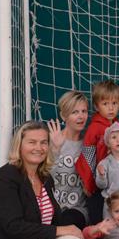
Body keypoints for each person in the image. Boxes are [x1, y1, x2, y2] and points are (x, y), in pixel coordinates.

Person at [75, 79, 119, 225]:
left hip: (114, 183)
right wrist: (89, 183)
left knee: (115, 216)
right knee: (98, 218)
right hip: (97, 185)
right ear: (97, 106)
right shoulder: (94, 128)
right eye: (105, 104)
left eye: (114, 103)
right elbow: (88, 157)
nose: (110, 108)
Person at [48, 90, 90, 229]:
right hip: (51, 207)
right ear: (63, 115)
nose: (81, 116)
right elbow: (42, 176)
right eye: (75, 112)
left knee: (67, 221)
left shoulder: (88, 144)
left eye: (84, 111)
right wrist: (55, 150)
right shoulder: (53, 140)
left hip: (77, 210)